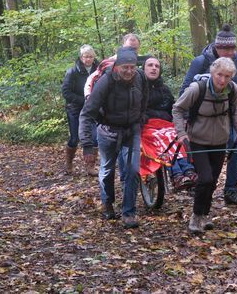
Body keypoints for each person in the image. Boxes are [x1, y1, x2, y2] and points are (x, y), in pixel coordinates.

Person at [179, 24, 237, 205]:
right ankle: (201, 186)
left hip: (228, 115)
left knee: (236, 150)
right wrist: (188, 120)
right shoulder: (201, 62)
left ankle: (231, 190)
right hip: (203, 120)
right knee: (206, 156)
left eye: (232, 48)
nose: (229, 52)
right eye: (225, 48)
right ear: (217, 47)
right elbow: (185, 91)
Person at [173, 57, 237, 234]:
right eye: (220, 75)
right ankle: (196, 216)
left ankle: (205, 214)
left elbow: (235, 110)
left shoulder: (232, 90)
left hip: (221, 141)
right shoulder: (198, 89)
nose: (223, 80)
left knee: (212, 181)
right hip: (197, 140)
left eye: (227, 76)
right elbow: (177, 109)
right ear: (213, 73)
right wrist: (181, 133)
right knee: (205, 178)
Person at [79, 47, 148, 229]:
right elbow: (87, 114)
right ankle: (107, 203)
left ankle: (129, 212)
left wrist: (140, 120)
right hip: (108, 130)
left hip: (132, 130)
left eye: (132, 67)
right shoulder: (106, 81)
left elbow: (144, 101)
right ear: (117, 67)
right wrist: (87, 144)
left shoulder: (140, 78)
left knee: (133, 170)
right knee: (107, 170)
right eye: (125, 67)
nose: (129, 71)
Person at [142, 57, 196, 190]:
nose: (154, 68)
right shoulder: (138, 88)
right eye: (150, 65)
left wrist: (183, 118)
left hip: (166, 124)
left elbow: (174, 107)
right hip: (147, 125)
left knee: (177, 137)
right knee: (164, 139)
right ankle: (177, 175)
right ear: (143, 69)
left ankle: (189, 171)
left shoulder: (164, 89)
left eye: (157, 66)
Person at [61, 45, 99, 175]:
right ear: (81, 57)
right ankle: (69, 163)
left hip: (93, 109)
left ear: (94, 57)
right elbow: (66, 92)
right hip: (75, 109)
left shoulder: (99, 70)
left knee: (94, 138)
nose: (88, 59)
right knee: (75, 138)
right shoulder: (72, 72)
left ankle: (90, 167)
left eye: (90, 56)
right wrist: (85, 100)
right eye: (85, 56)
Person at [84, 33, 141, 98]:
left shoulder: (145, 63)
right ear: (123, 46)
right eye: (129, 48)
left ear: (139, 48)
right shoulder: (110, 62)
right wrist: (88, 96)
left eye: (135, 49)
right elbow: (91, 79)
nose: (131, 51)